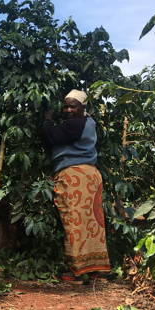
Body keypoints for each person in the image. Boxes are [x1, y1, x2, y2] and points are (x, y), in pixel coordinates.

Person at [41, 89, 110, 283]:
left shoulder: (75, 124)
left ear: (83, 107)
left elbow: (52, 137)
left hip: (75, 177)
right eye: (66, 106)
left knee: (74, 222)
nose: (68, 110)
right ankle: (96, 268)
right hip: (91, 176)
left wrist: (47, 120)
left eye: (73, 106)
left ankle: (77, 270)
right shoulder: (89, 123)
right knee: (93, 223)